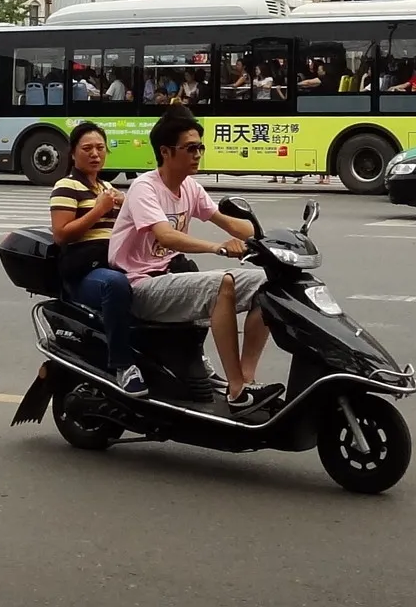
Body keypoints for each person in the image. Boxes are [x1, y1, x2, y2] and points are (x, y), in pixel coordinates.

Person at [108, 109, 277, 410]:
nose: (198, 154)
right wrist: (218, 248)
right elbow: (166, 236)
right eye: (190, 148)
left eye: (200, 147)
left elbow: (227, 221)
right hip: (141, 286)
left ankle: (247, 380)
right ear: (165, 151)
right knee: (221, 284)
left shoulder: (190, 187)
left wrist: (260, 233)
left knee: (266, 284)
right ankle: (236, 391)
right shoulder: (144, 188)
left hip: (171, 279)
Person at [49, 123, 140, 394]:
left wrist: (127, 205)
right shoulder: (66, 186)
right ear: (73, 154)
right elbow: (61, 235)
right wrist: (99, 210)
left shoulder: (107, 187)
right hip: (86, 272)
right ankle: (123, 364)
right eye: (87, 148)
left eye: (100, 148)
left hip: (115, 262)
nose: (95, 154)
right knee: (115, 284)